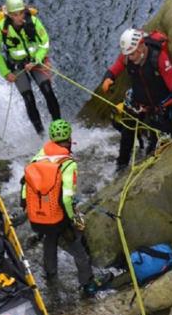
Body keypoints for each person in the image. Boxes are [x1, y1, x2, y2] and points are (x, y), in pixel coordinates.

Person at [21, 119, 112, 296]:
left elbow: (25, 187)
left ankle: (50, 275)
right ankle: (88, 284)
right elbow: (66, 197)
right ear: (69, 139)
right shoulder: (69, 164)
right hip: (56, 217)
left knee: (50, 239)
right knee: (79, 250)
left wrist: (28, 209)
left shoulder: (39, 156)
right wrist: (71, 219)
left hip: (36, 216)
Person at [101, 28, 172, 170]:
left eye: (132, 53)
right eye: (127, 54)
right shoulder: (128, 56)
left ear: (141, 45)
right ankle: (121, 166)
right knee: (127, 133)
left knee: (155, 145)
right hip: (138, 102)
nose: (130, 57)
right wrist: (108, 78)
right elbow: (115, 68)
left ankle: (147, 161)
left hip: (160, 106)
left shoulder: (158, 57)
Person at [0, 0, 61, 135]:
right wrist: (5, 72)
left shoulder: (33, 21)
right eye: (15, 14)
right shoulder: (1, 27)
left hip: (36, 61)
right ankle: (41, 134)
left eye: (21, 12)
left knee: (47, 90)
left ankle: (58, 126)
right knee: (28, 98)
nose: (19, 17)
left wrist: (37, 59)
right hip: (16, 65)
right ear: (9, 15)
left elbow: (44, 42)